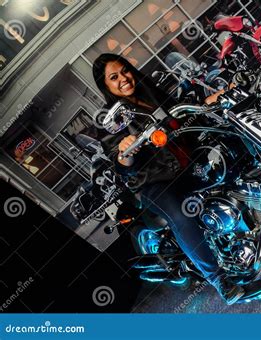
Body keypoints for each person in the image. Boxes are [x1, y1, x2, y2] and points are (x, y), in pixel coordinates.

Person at [92, 53, 244, 304]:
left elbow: (184, 115)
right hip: (154, 183)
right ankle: (219, 279)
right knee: (181, 216)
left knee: (231, 167)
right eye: (114, 77)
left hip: (187, 164)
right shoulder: (111, 120)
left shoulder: (149, 94)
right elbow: (123, 167)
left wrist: (223, 93)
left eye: (125, 70)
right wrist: (124, 149)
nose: (123, 78)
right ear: (105, 85)